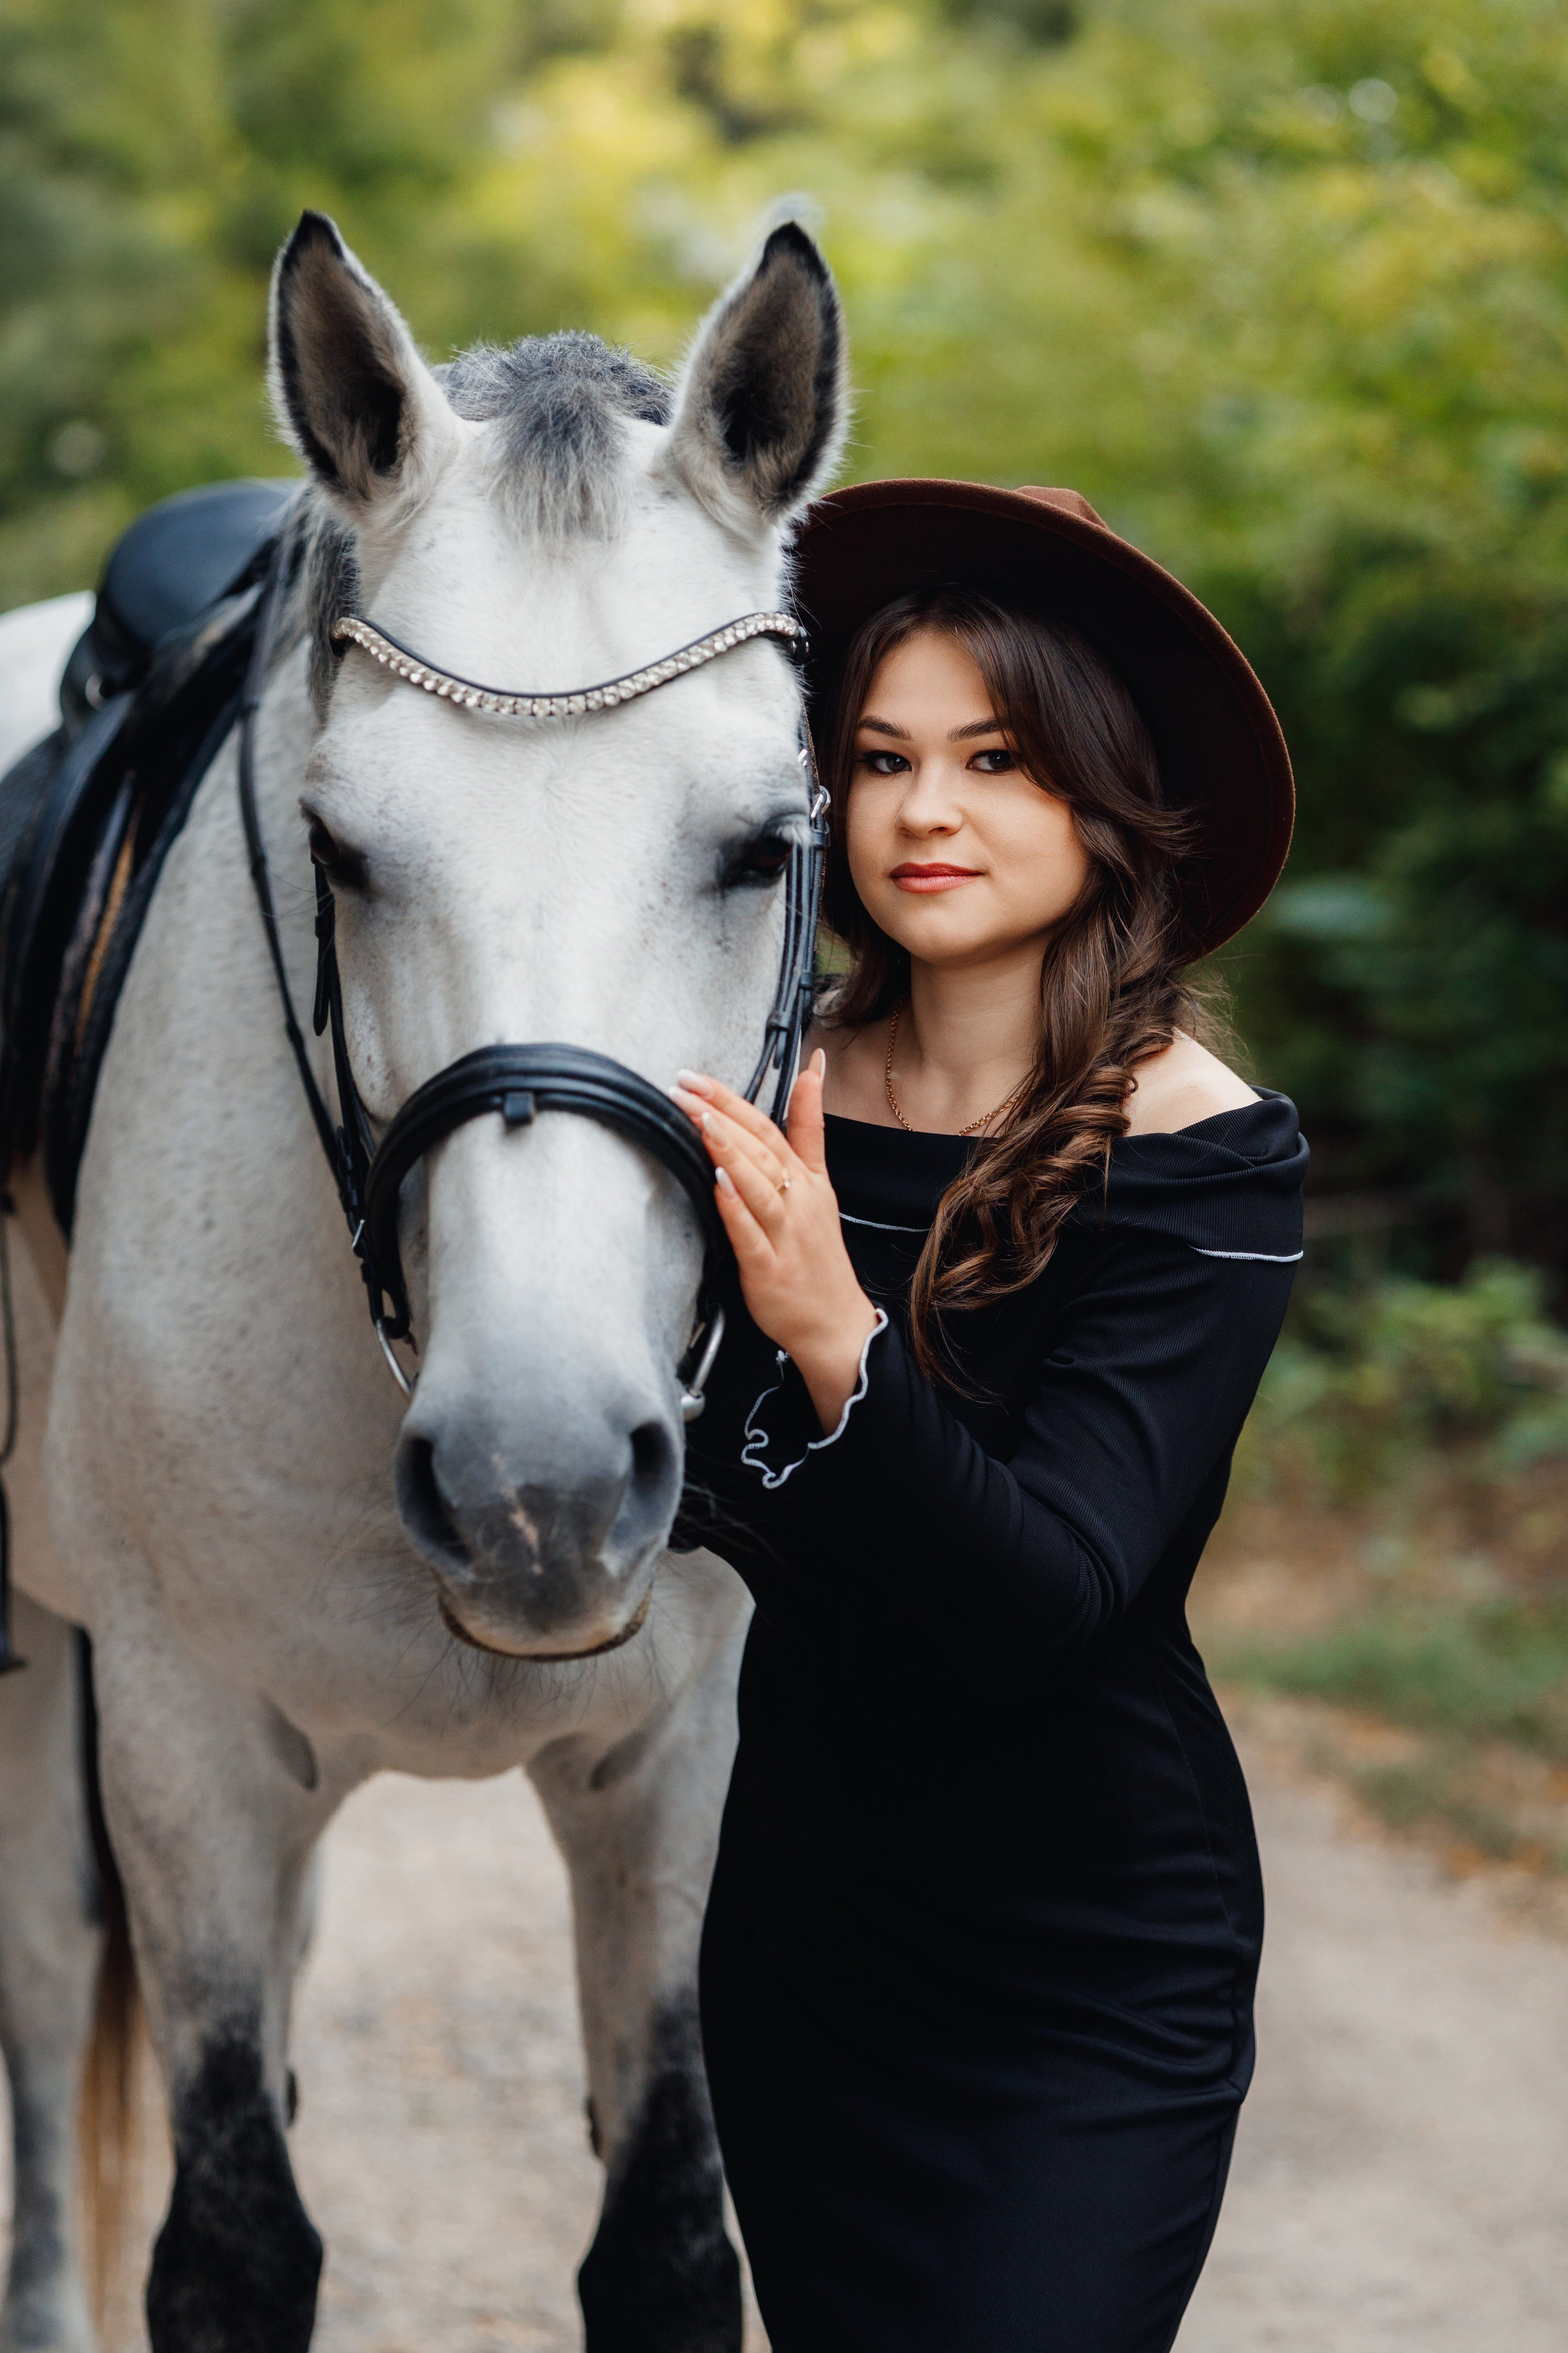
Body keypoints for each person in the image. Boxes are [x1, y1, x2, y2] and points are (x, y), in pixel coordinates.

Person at [672, 480, 1305, 2353]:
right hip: (803, 1942)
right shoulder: (761, 1093)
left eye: (997, 758)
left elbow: (1048, 1588)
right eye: (878, 759)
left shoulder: (1204, 1147)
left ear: (1104, 797)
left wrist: (832, 1333)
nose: (924, 813)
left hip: (1090, 1961)